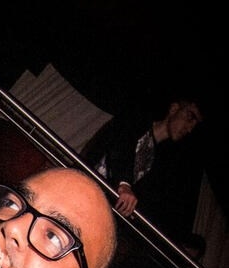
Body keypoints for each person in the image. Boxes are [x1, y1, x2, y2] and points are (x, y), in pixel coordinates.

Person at [81, 89, 204, 238]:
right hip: (82, 186)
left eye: (194, 125)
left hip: (98, 210)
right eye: (190, 117)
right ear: (174, 109)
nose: (189, 128)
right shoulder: (137, 120)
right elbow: (121, 146)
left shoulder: (160, 160)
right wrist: (124, 184)